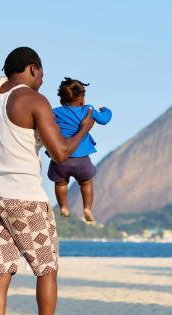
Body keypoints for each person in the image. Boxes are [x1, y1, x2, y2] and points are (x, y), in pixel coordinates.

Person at [0, 47, 95, 315]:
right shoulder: (33, 100)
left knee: (0, 275)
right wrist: (84, 129)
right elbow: (61, 152)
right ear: (31, 68)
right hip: (24, 198)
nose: (42, 79)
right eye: (41, 72)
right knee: (47, 270)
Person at [47, 77, 112, 222]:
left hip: (61, 158)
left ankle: (63, 207)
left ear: (61, 99)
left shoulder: (55, 112)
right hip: (81, 159)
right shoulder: (87, 110)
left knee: (60, 183)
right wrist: (106, 110)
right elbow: (105, 120)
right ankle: (87, 208)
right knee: (86, 182)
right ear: (81, 98)